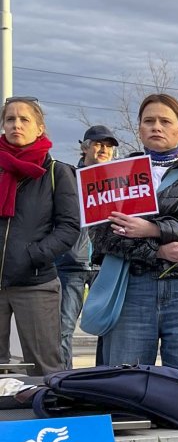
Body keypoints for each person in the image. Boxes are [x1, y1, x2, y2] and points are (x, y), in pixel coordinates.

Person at [91, 94, 178, 385]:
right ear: (139, 128)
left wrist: (152, 230)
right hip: (133, 288)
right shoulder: (114, 175)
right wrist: (159, 252)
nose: (156, 127)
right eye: (149, 121)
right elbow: (102, 236)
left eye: (165, 121)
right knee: (124, 386)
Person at [0, 97, 79, 376]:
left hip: (35, 284)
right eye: (10, 119)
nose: (16, 124)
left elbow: (69, 226)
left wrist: (34, 255)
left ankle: (47, 419)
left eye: (24, 119)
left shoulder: (57, 172)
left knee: (44, 369)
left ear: (40, 128)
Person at [55, 125, 117, 368]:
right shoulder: (68, 178)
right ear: (84, 147)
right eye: (98, 144)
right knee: (63, 328)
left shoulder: (120, 182)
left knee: (110, 328)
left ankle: (104, 381)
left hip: (106, 264)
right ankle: (64, 380)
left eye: (109, 146)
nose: (103, 149)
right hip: (71, 263)